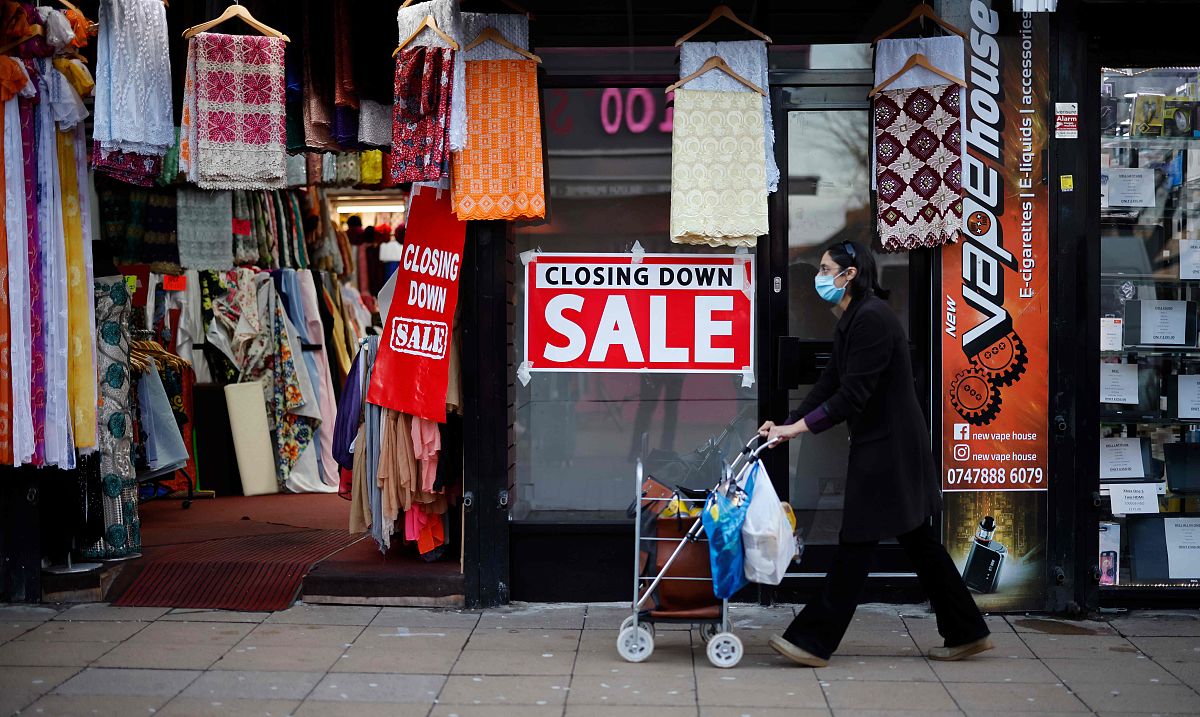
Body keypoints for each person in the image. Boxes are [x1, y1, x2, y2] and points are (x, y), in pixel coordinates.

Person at [759, 240, 992, 668]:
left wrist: (797, 428)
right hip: (885, 446)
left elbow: (851, 396)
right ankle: (967, 630)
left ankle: (812, 640)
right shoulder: (854, 319)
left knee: (856, 544)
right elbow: (829, 383)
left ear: (849, 275)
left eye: (826, 269)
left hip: (889, 450)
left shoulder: (871, 320)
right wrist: (787, 423)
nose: (820, 277)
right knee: (919, 543)